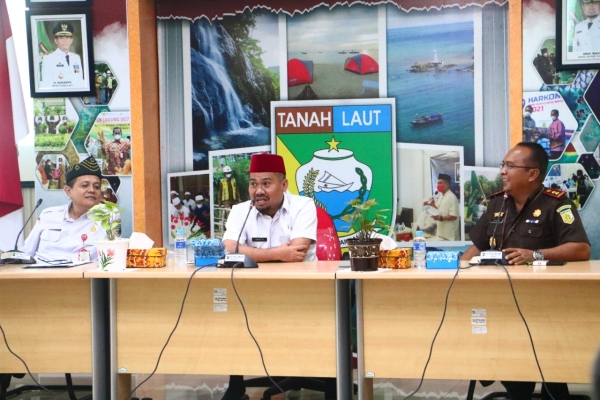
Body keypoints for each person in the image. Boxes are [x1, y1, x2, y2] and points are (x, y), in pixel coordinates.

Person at [461, 142, 590, 400]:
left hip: (546, 305)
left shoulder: (557, 204)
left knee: (551, 370)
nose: (503, 172)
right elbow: (476, 248)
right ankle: (517, 391)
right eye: (503, 165)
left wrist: (536, 255)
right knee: (513, 372)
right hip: (501, 303)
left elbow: (580, 249)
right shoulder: (496, 204)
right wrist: (461, 271)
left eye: (510, 166)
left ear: (532, 173)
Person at [221, 153, 317, 400]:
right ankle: (235, 386)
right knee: (229, 309)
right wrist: (278, 253)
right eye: (253, 184)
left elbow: (296, 253)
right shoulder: (240, 211)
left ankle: (324, 372)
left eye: (266, 183)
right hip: (255, 292)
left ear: (283, 185)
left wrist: (251, 254)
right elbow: (230, 247)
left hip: (303, 292)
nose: (258, 191)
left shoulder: (304, 206)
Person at [23, 157, 108, 262]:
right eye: (85, 185)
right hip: (42, 274)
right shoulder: (48, 215)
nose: (92, 190)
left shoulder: (107, 218)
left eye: (97, 186)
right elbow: (26, 253)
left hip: (82, 276)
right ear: (68, 191)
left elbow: (113, 258)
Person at [40, 22, 85, 89]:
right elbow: (46, 83)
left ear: (71, 40)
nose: (65, 41)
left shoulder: (76, 58)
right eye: (61, 38)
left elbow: (80, 81)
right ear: (56, 41)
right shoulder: (48, 58)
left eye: (67, 38)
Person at [425, 173, 459, 240]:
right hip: (440, 234)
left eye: (440, 183)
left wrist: (439, 218)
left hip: (449, 237)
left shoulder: (452, 197)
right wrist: (432, 204)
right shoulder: (441, 196)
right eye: (437, 183)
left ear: (447, 185)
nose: (438, 185)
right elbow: (439, 209)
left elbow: (454, 216)